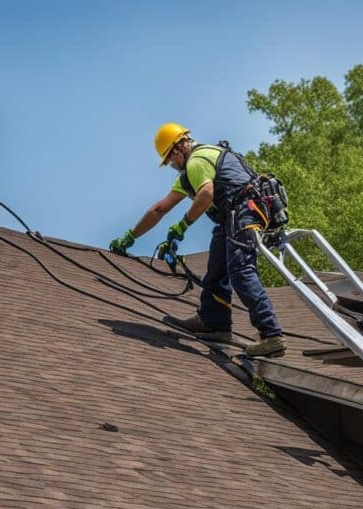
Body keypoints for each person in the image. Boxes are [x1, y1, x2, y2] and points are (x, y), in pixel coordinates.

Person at [109, 123, 286, 358]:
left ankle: (271, 335)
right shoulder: (194, 168)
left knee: (241, 271)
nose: (172, 165)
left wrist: (182, 226)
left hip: (244, 211)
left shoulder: (196, 162)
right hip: (233, 215)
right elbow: (159, 209)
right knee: (216, 270)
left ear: (179, 148)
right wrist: (129, 238)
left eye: (171, 159)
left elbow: (206, 194)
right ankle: (214, 322)